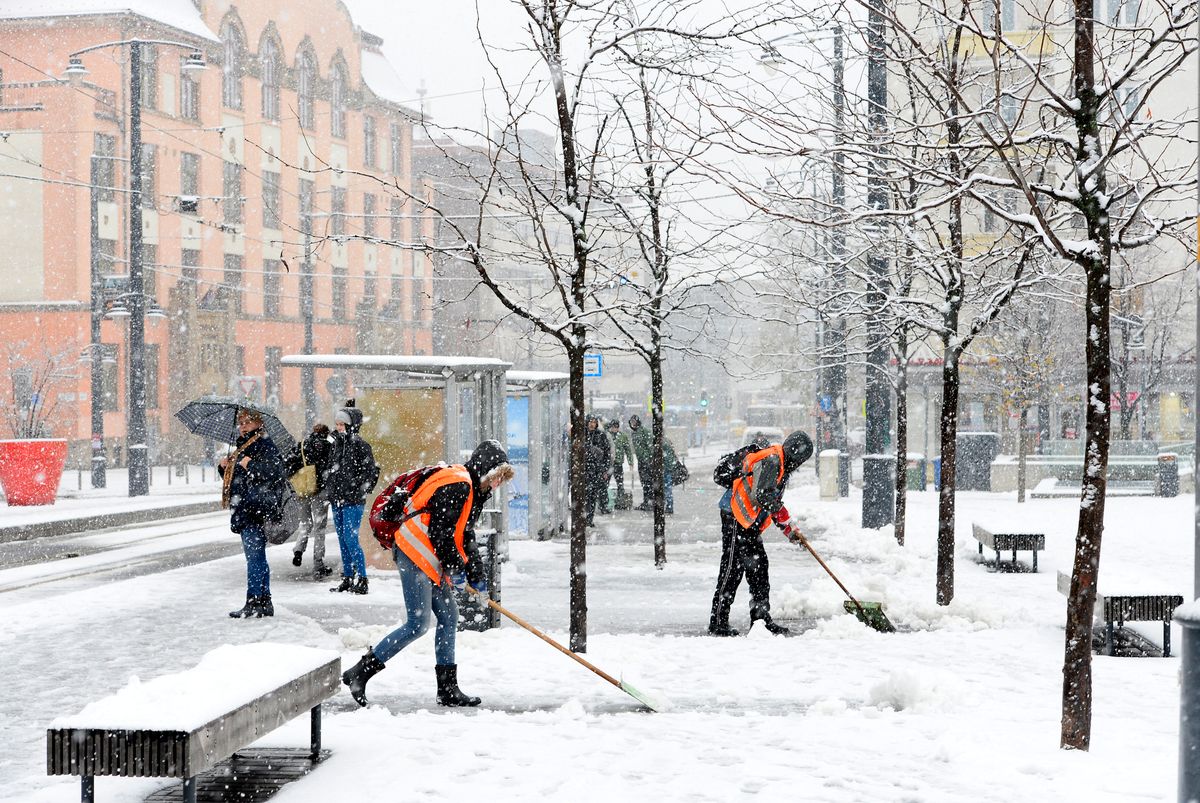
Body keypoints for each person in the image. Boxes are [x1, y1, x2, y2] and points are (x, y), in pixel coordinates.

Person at [341, 440, 515, 708]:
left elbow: (465, 535)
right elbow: (442, 533)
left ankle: (447, 689)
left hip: (428, 557)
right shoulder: (459, 485)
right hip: (414, 551)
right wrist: (457, 570)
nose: (498, 483)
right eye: (497, 476)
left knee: (449, 615)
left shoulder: (470, 490)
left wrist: (477, 577)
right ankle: (359, 673)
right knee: (417, 624)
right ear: (485, 470)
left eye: (502, 478)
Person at [708, 430, 813, 637]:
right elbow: (765, 497)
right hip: (735, 515)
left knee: (758, 567)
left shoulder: (780, 464)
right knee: (732, 568)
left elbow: (771, 502)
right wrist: (787, 525)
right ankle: (718, 621)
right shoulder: (773, 461)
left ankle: (761, 621)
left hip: (749, 521)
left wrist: (790, 530)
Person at [218, 408, 287, 619]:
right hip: (247, 507)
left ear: (259, 424)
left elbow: (275, 473)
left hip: (256, 509)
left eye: (248, 422)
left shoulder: (264, 445)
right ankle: (264, 602)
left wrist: (250, 464)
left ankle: (255, 601)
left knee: (254, 558)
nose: (243, 426)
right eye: (241, 423)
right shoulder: (243, 446)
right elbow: (238, 482)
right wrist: (225, 468)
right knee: (257, 557)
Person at [327, 401, 380, 595]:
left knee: (350, 538)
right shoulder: (336, 445)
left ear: (351, 425)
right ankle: (348, 577)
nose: (338, 427)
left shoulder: (360, 445)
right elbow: (331, 469)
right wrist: (331, 487)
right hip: (338, 498)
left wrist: (357, 489)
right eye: (337, 424)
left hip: (352, 500)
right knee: (342, 538)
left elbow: (370, 473)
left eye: (342, 424)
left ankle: (363, 578)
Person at [286, 423, 334, 579]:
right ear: (326, 434)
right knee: (320, 528)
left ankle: (299, 549)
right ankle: (318, 564)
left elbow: (288, 464)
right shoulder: (328, 446)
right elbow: (331, 468)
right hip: (319, 492)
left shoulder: (302, 445)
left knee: (306, 523)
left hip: (303, 489)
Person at [583, 414, 611, 526]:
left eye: (594, 422)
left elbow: (607, 453)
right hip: (583, 470)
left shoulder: (601, 435)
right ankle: (583, 518)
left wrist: (604, 469)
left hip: (596, 470)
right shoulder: (582, 433)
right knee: (584, 495)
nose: (592, 424)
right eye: (590, 421)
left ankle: (589, 519)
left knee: (592, 495)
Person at [628, 414, 653, 509]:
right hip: (641, 461)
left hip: (647, 461)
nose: (633, 424)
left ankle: (650, 502)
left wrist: (648, 458)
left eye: (634, 422)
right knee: (644, 482)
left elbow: (650, 446)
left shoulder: (644, 431)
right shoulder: (633, 433)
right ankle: (646, 501)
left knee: (648, 482)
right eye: (631, 422)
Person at [608, 418, 634, 509]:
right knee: (605, 483)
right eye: (613, 427)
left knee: (620, 483)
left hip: (618, 463)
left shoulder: (623, 436)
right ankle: (605, 502)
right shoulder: (607, 435)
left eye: (616, 427)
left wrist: (631, 462)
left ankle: (620, 502)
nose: (615, 429)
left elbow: (628, 450)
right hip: (608, 463)